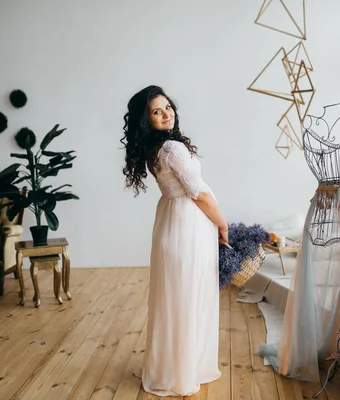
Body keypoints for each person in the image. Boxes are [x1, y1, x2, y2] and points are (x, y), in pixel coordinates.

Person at [120, 85, 228, 397]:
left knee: (176, 298)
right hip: (188, 224)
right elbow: (199, 192)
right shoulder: (172, 149)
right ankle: (185, 370)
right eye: (157, 111)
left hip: (172, 221)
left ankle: (175, 367)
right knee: (189, 296)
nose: (167, 114)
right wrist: (222, 224)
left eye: (168, 107)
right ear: (146, 120)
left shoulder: (155, 150)